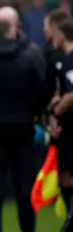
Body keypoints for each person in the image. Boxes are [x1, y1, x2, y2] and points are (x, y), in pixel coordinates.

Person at [0, 20, 48, 232]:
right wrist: (36, 114)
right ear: (13, 33)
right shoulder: (28, 60)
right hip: (23, 126)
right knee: (24, 183)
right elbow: (40, 92)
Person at [50, 19, 73, 212]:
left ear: (61, 34)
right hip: (65, 129)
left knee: (68, 176)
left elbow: (72, 94)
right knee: (64, 176)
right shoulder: (63, 59)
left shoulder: (71, 59)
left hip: (71, 128)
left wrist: (55, 113)